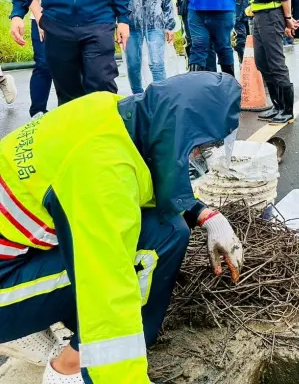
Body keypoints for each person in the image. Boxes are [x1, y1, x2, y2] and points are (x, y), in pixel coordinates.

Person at [0, 73, 244, 383]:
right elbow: (108, 296)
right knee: (150, 249)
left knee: (167, 227)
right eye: (199, 150)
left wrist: (204, 214)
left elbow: (150, 175)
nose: (200, 161)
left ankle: (50, 330)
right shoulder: (102, 177)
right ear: (180, 133)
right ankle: (69, 367)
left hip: (14, 257)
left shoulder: (111, 112)